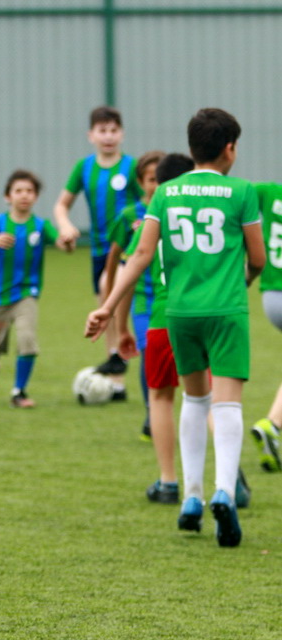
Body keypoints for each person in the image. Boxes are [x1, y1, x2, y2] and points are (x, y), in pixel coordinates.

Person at [87, 108, 265, 547]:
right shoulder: (242, 192)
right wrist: (241, 281)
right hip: (226, 310)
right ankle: (223, 488)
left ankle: (190, 496)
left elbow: (141, 256)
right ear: (229, 149)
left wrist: (108, 308)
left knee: (194, 399)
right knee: (227, 405)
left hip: (179, 314)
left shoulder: (165, 193)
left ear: (191, 148)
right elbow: (258, 258)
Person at [115, 153, 192, 504]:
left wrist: (117, 323)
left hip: (161, 317)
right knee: (211, 399)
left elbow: (129, 266)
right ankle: (228, 474)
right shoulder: (210, 213)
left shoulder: (153, 216)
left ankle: (168, 481)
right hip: (207, 315)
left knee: (160, 399)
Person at [0, 170, 73, 408]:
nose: (24, 196)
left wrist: (67, 241)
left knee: (27, 340)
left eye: (29, 191)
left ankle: (19, 391)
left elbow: (62, 244)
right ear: (8, 196)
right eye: (19, 191)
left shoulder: (40, 226)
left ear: (36, 197)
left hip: (27, 294)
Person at [55, 106, 142, 380]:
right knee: (103, 308)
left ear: (122, 134)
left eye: (113, 130)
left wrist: (141, 224)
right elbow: (61, 205)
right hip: (98, 249)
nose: (108, 136)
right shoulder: (84, 168)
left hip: (127, 247)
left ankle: (120, 354)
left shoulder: (131, 167)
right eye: (102, 131)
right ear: (91, 135)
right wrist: (66, 226)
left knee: (108, 285)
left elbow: (147, 201)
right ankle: (115, 375)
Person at [102, 151, 165, 433]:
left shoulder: (177, 211)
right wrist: (111, 294)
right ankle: (152, 412)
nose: (158, 185)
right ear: (141, 182)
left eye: (162, 179)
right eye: (153, 179)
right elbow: (115, 256)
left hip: (174, 297)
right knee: (148, 349)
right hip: (143, 297)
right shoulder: (130, 215)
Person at [250, 178, 282, 473]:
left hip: (271, 297)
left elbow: (234, 200)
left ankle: (271, 427)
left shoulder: (267, 190)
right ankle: (272, 423)